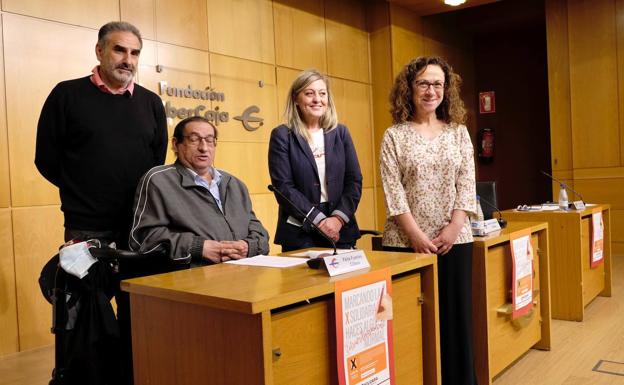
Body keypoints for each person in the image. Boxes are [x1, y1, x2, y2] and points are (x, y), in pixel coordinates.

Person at [35, 21, 167, 385]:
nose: (128, 59)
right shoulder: (66, 95)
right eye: (119, 50)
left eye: (134, 52)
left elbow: (156, 164)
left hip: (140, 229)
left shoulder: (151, 104)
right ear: (99, 51)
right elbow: (46, 159)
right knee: (86, 318)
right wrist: (84, 189)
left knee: (138, 312)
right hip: (86, 227)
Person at [380, 56, 477, 385]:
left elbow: (466, 186)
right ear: (409, 88)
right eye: (423, 83)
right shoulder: (394, 136)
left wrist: (452, 229)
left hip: (455, 242)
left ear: (446, 90)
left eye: (437, 84)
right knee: (411, 324)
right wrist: (417, 236)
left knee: (456, 321)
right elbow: (394, 193)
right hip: (405, 244)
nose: (430, 90)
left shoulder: (459, 133)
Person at [129, 116, 270, 265]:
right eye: (194, 139)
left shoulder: (234, 184)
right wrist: (197, 247)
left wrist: (248, 247)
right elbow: (143, 238)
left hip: (243, 273)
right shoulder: (159, 181)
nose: (204, 148)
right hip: (192, 276)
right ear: (176, 144)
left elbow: (259, 232)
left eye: (209, 140)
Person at [268, 69, 362, 252]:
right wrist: (318, 220)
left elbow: (354, 181)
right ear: (296, 99)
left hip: (340, 228)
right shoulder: (282, 135)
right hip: (300, 231)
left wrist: (337, 219)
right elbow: (283, 187)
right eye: (309, 93)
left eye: (322, 93)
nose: (317, 99)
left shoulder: (341, 133)